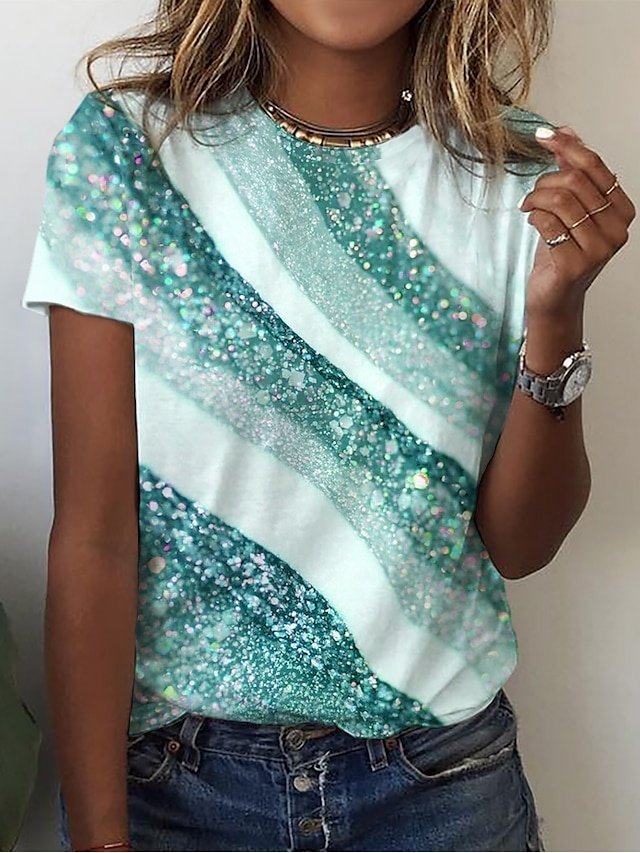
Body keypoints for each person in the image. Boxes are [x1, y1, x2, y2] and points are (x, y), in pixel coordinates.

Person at [20, 0, 635, 851]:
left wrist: (558, 313)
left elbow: (520, 544)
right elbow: (94, 536)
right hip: (179, 791)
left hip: (440, 789)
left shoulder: (524, 176)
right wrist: (98, 837)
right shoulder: (133, 150)